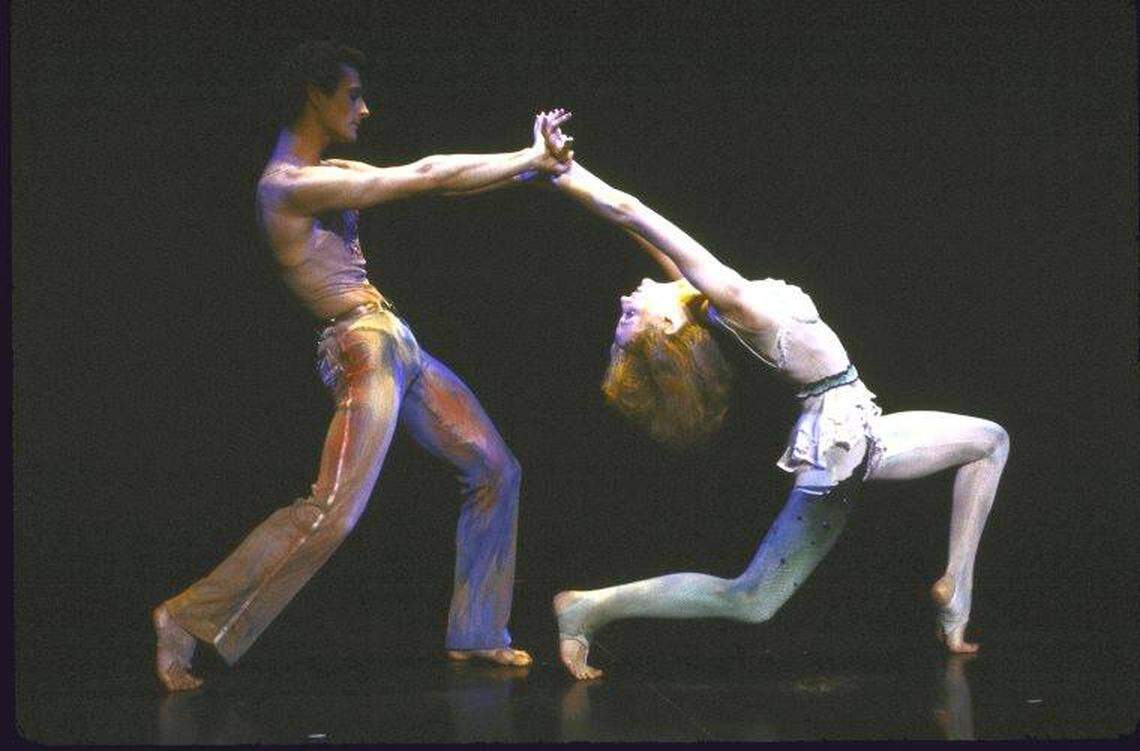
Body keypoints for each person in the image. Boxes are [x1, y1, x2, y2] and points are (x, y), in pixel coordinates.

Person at [152, 41, 574, 691]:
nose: (365, 108)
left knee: (496, 468)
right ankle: (184, 618)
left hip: (396, 341)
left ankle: (478, 629)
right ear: (314, 96)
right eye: (352, 95)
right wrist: (527, 158)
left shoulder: (325, 170)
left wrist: (531, 168)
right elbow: (425, 174)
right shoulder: (288, 186)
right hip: (361, 347)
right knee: (332, 510)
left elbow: (440, 179)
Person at [546, 159, 1010, 680]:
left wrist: (565, 178)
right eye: (632, 315)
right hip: (840, 445)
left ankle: (956, 592)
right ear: (671, 324)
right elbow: (629, 209)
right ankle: (588, 607)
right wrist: (562, 170)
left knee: (991, 441)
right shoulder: (735, 301)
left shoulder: (707, 302)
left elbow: (646, 235)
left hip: (858, 426)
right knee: (752, 599)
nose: (625, 298)